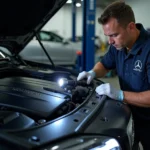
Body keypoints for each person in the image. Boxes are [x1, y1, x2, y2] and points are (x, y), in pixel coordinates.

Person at [77, 1, 150, 149]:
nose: (110, 41)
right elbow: (104, 64)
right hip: (130, 118)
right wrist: (92, 72)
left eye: (114, 35)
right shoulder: (118, 46)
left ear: (131, 27)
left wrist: (120, 95)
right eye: (107, 36)